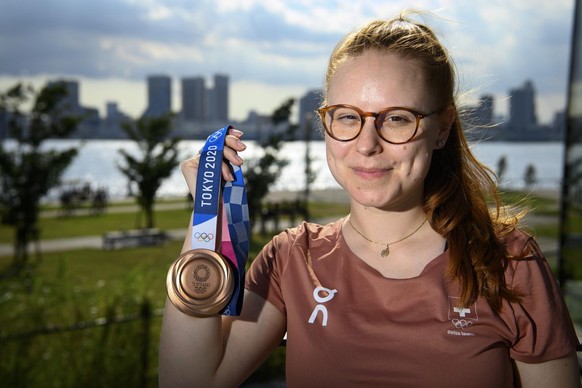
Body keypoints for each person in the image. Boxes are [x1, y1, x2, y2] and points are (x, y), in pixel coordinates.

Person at [159, 10, 580, 387]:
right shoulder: (293, 261)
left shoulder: (507, 262)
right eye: (346, 117)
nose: (367, 144)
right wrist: (206, 219)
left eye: (397, 119)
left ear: (443, 128)